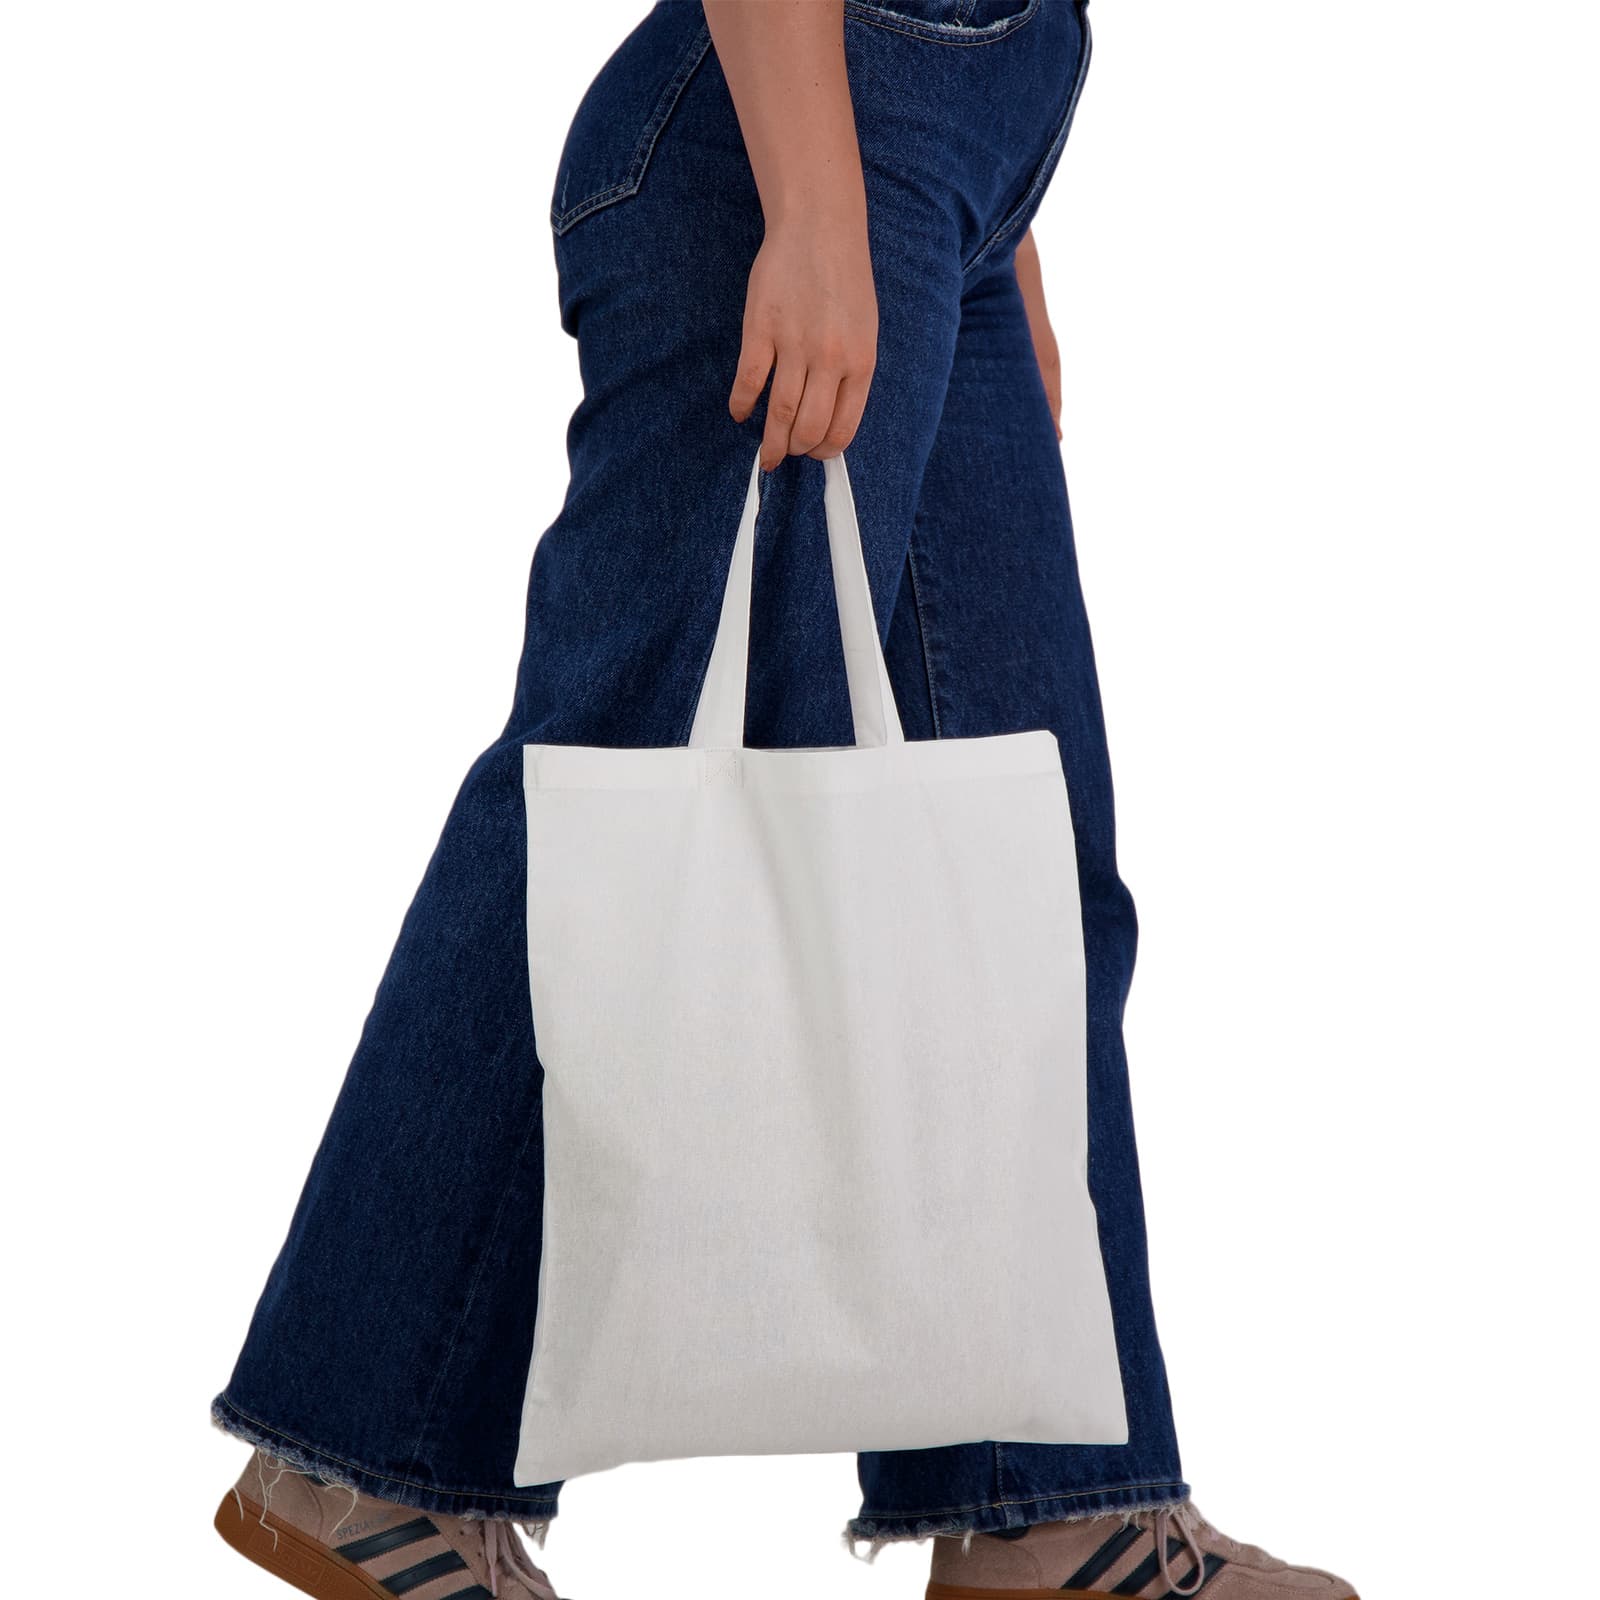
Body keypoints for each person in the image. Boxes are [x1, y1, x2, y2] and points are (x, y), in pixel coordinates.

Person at [211, 4, 1358, 1598]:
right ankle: (355, 1453)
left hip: (945, 176)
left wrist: (1000, 224)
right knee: (631, 797)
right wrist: (820, 206)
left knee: (1017, 846)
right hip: (795, 138)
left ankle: (1042, 1504)